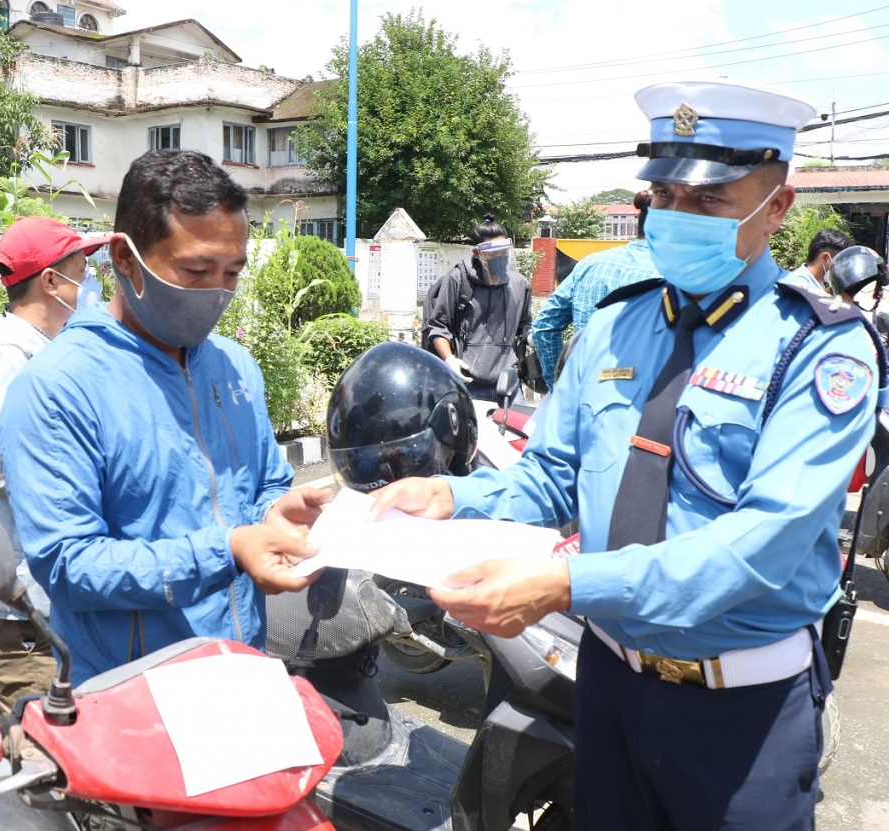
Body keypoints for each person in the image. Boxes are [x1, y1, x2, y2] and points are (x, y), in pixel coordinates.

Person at [367, 80, 889, 830]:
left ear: (776, 208)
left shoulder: (820, 349)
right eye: (666, 196)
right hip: (607, 685)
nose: (678, 217)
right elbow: (552, 478)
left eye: (709, 200)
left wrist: (561, 584)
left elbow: (756, 550)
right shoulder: (617, 324)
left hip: (740, 716)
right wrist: (451, 497)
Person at [0, 149, 332, 687]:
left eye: (233, 271)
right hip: (133, 693)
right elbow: (68, 565)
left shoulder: (233, 365)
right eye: (196, 270)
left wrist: (277, 511)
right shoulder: (57, 388)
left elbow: (264, 482)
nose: (219, 292)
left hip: (243, 670)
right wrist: (225, 550)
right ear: (124, 260)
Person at [0, 216, 111, 714]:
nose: (91, 283)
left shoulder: (41, 348)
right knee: (50, 747)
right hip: (17, 608)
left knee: (45, 742)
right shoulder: (7, 357)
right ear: (50, 281)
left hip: (36, 597)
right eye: (82, 271)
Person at [531, 191, 660, 389]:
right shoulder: (675, 277)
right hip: (642, 406)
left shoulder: (590, 264)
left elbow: (544, 327)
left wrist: (559, 386)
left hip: (580, 399)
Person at [426, 215, 532, 401]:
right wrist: (450, 360)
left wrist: (531, 336)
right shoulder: (457, 280)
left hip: (508, 382)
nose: (500, 257)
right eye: (493, 253)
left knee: (516, 430)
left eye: (504, 251)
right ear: (477, 253)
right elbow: (438, 327)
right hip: (468, 382)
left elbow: (525, 325)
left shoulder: (519, 284)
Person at [786, 228, 854, 292]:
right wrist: (837, 303)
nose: (842, 269)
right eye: (840, 262)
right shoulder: (798, 286)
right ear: (825, 258)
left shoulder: (816, 283)